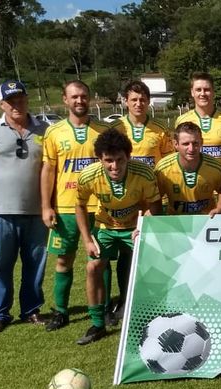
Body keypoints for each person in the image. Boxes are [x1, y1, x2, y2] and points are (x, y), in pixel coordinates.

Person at [0, 80, 49, 333]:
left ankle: (31, 310)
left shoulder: (45, 130)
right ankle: (0, 314)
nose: (17, 104)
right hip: (2, 212)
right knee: (1, 266)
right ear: (0, 104)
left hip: (37, 212)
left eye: (20, 99)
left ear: (27, 99)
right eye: (10, 101)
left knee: (35, 264)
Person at [74, 128, 162, 345]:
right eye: (109, 160)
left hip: (134, 227)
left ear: (128, 157)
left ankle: (146, 320)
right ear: (100, 159)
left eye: (120, 160)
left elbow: (155, 204)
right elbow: (80, 206)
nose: (115, 166)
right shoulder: (88, 176)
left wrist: (143, 226)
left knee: (148, 270)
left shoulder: (144, 173)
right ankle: (97, 323)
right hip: (105, 227)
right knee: (93, 267)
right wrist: (87, 239)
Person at [40, 80, 111, 331]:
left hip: (99, 207)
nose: (79, 100)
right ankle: (61, 311)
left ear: (89, 98)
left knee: (101, 261)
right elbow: (49, 170)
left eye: (83, 96)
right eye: (74, 97)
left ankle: (104, 310)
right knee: (63, 261)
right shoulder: (54, 132)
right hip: (66, 208)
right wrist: (46, 206)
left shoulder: (104, 130)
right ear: (65, 100)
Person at [108, 80, 173, 326]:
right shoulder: (115, 128)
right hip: (125, 199)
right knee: (127, 253)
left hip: (153, 199)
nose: (138, 103)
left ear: (149, 102)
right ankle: (125, 299)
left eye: (143, 99)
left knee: (155, 253)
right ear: (125, 101)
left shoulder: (160, 129)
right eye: (133, 99)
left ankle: (153, 300)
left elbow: (168, 164)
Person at [155, 122, 221, 216]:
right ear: (175, 144)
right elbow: (154, 198)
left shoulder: (215, 167)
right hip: (176, 220)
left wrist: (220, 208)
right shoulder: (163, 169)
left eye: (195, 143)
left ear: (201, 142)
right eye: (186, 144)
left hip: (207, 220)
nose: (191, 149)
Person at [174, 72, 221, 165]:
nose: (202, 94)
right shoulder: (181, 121)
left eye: (207, 90)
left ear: (213, 92)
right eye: (198, 90)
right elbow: (177, 154)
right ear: (192, 92)